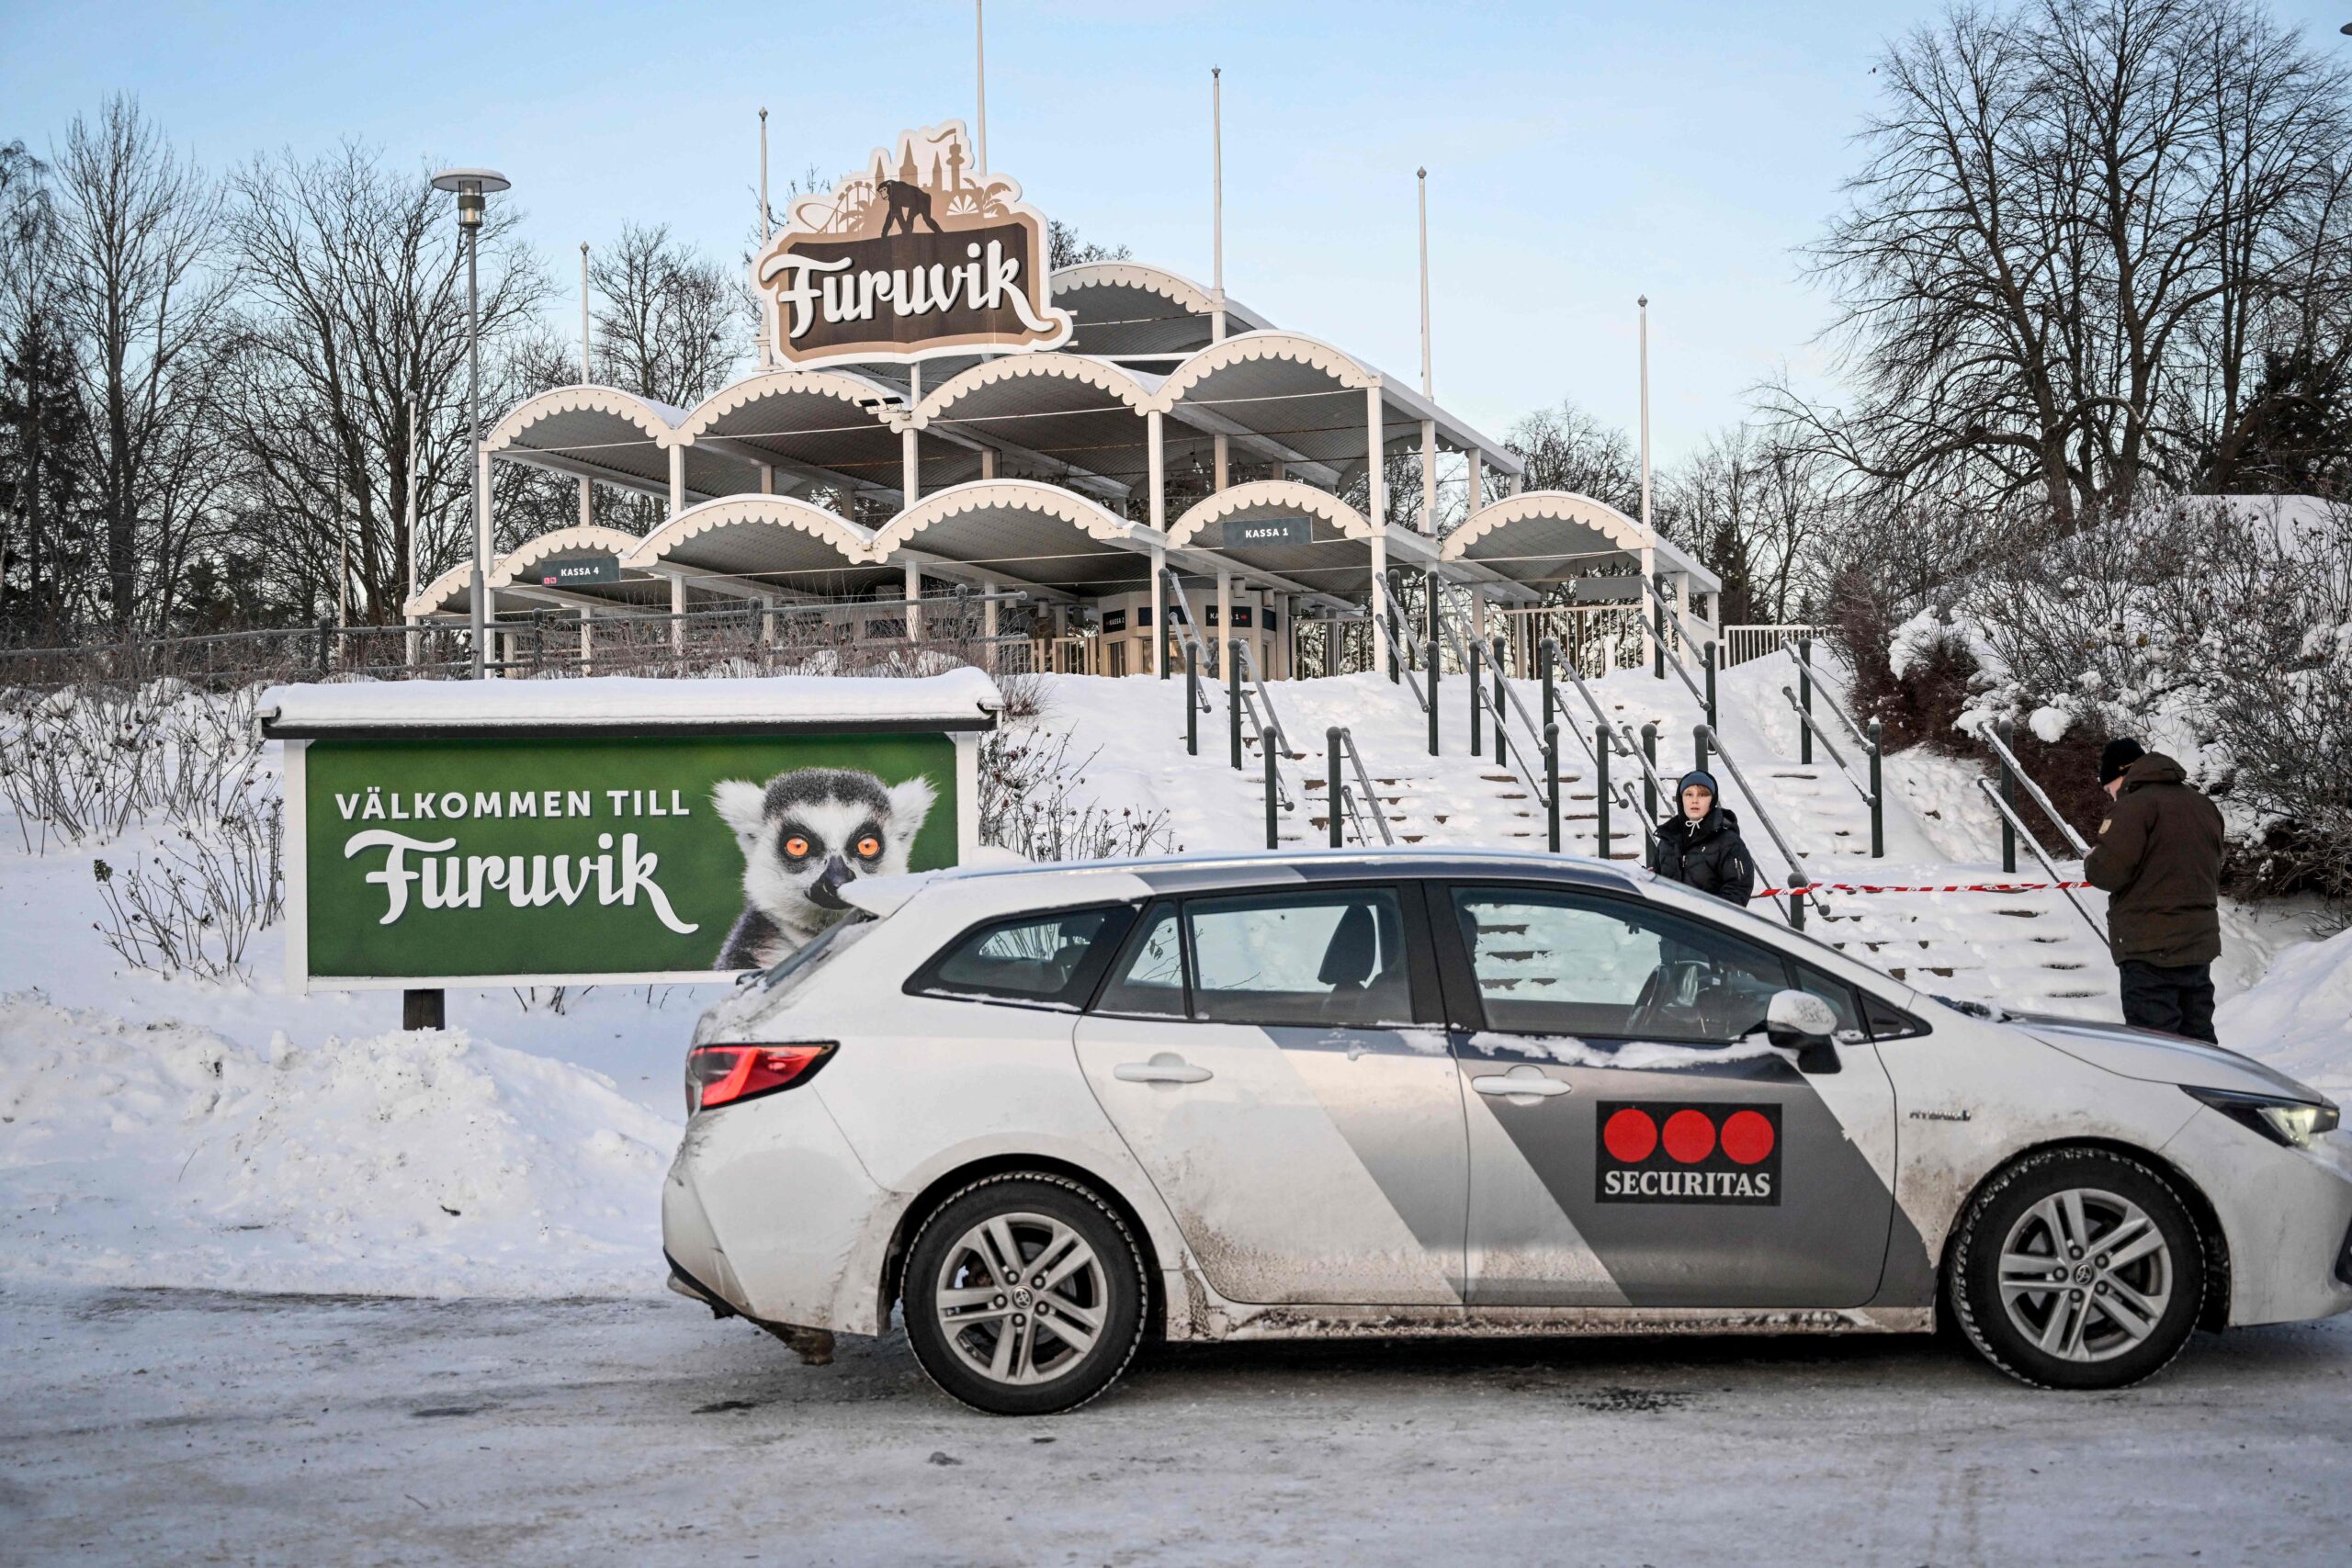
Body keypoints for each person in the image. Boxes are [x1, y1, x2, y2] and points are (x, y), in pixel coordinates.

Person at [2082, 737, 2225, 1043]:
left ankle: (2165, 1092)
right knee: (2199, 1042)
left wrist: (2093, 860)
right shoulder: (2203, 806)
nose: (2112, 796)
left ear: (2120, 776)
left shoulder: (2133, 806)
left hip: (2149, 949)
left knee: (2156, 1048)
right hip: (2198, 945)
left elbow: (2107, 873)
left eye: (2109, 789)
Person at [1647, 770, 1755, 906]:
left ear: (1712, 800)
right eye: (1688, 794)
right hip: (1670, 924)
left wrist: (1704, 914)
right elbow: (1655, 884)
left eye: (1703, 795)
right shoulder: (1668, 839)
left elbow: (1738, 889)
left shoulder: (1728, 841)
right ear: (1681, 799)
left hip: (1708, 924)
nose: (1695, 800)